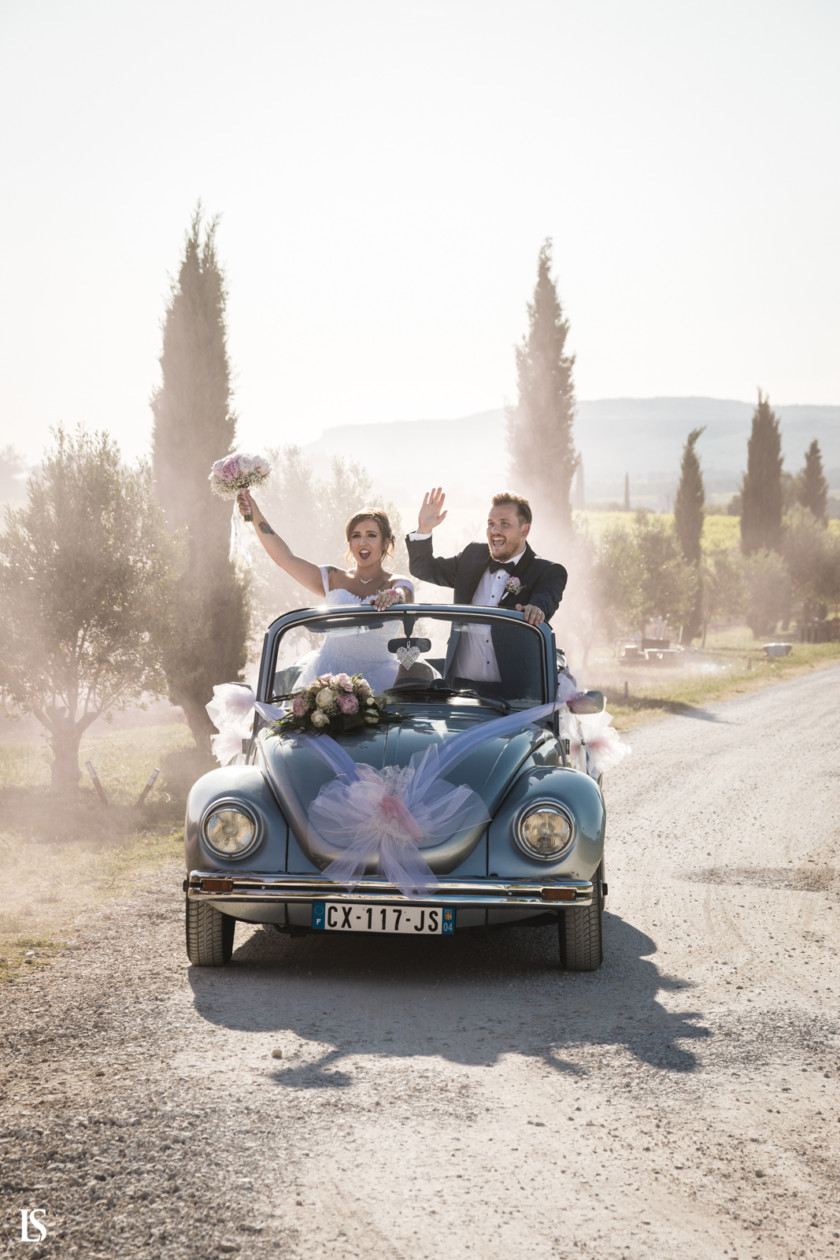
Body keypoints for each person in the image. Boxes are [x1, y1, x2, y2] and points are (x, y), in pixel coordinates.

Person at [238, 492, 414, 692]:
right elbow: (285, 558)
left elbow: (404, 592)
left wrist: (394, 596)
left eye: (371, 535)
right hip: (326, 678)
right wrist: (255, 516)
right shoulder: (333, 577)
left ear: (385, 543)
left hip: (381, 683)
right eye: (356, 536)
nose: (362, 542)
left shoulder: (395, 582)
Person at [405, 488, 567, 688]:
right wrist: (424, 529)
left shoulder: (548, 571)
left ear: (524, 530)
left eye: (504, 524)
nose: (494, 531)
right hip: (457, 689)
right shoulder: (473, 555)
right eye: (490, 524)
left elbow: (546, 599)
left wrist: (536, 609)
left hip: (512, 697)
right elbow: (424, 569)